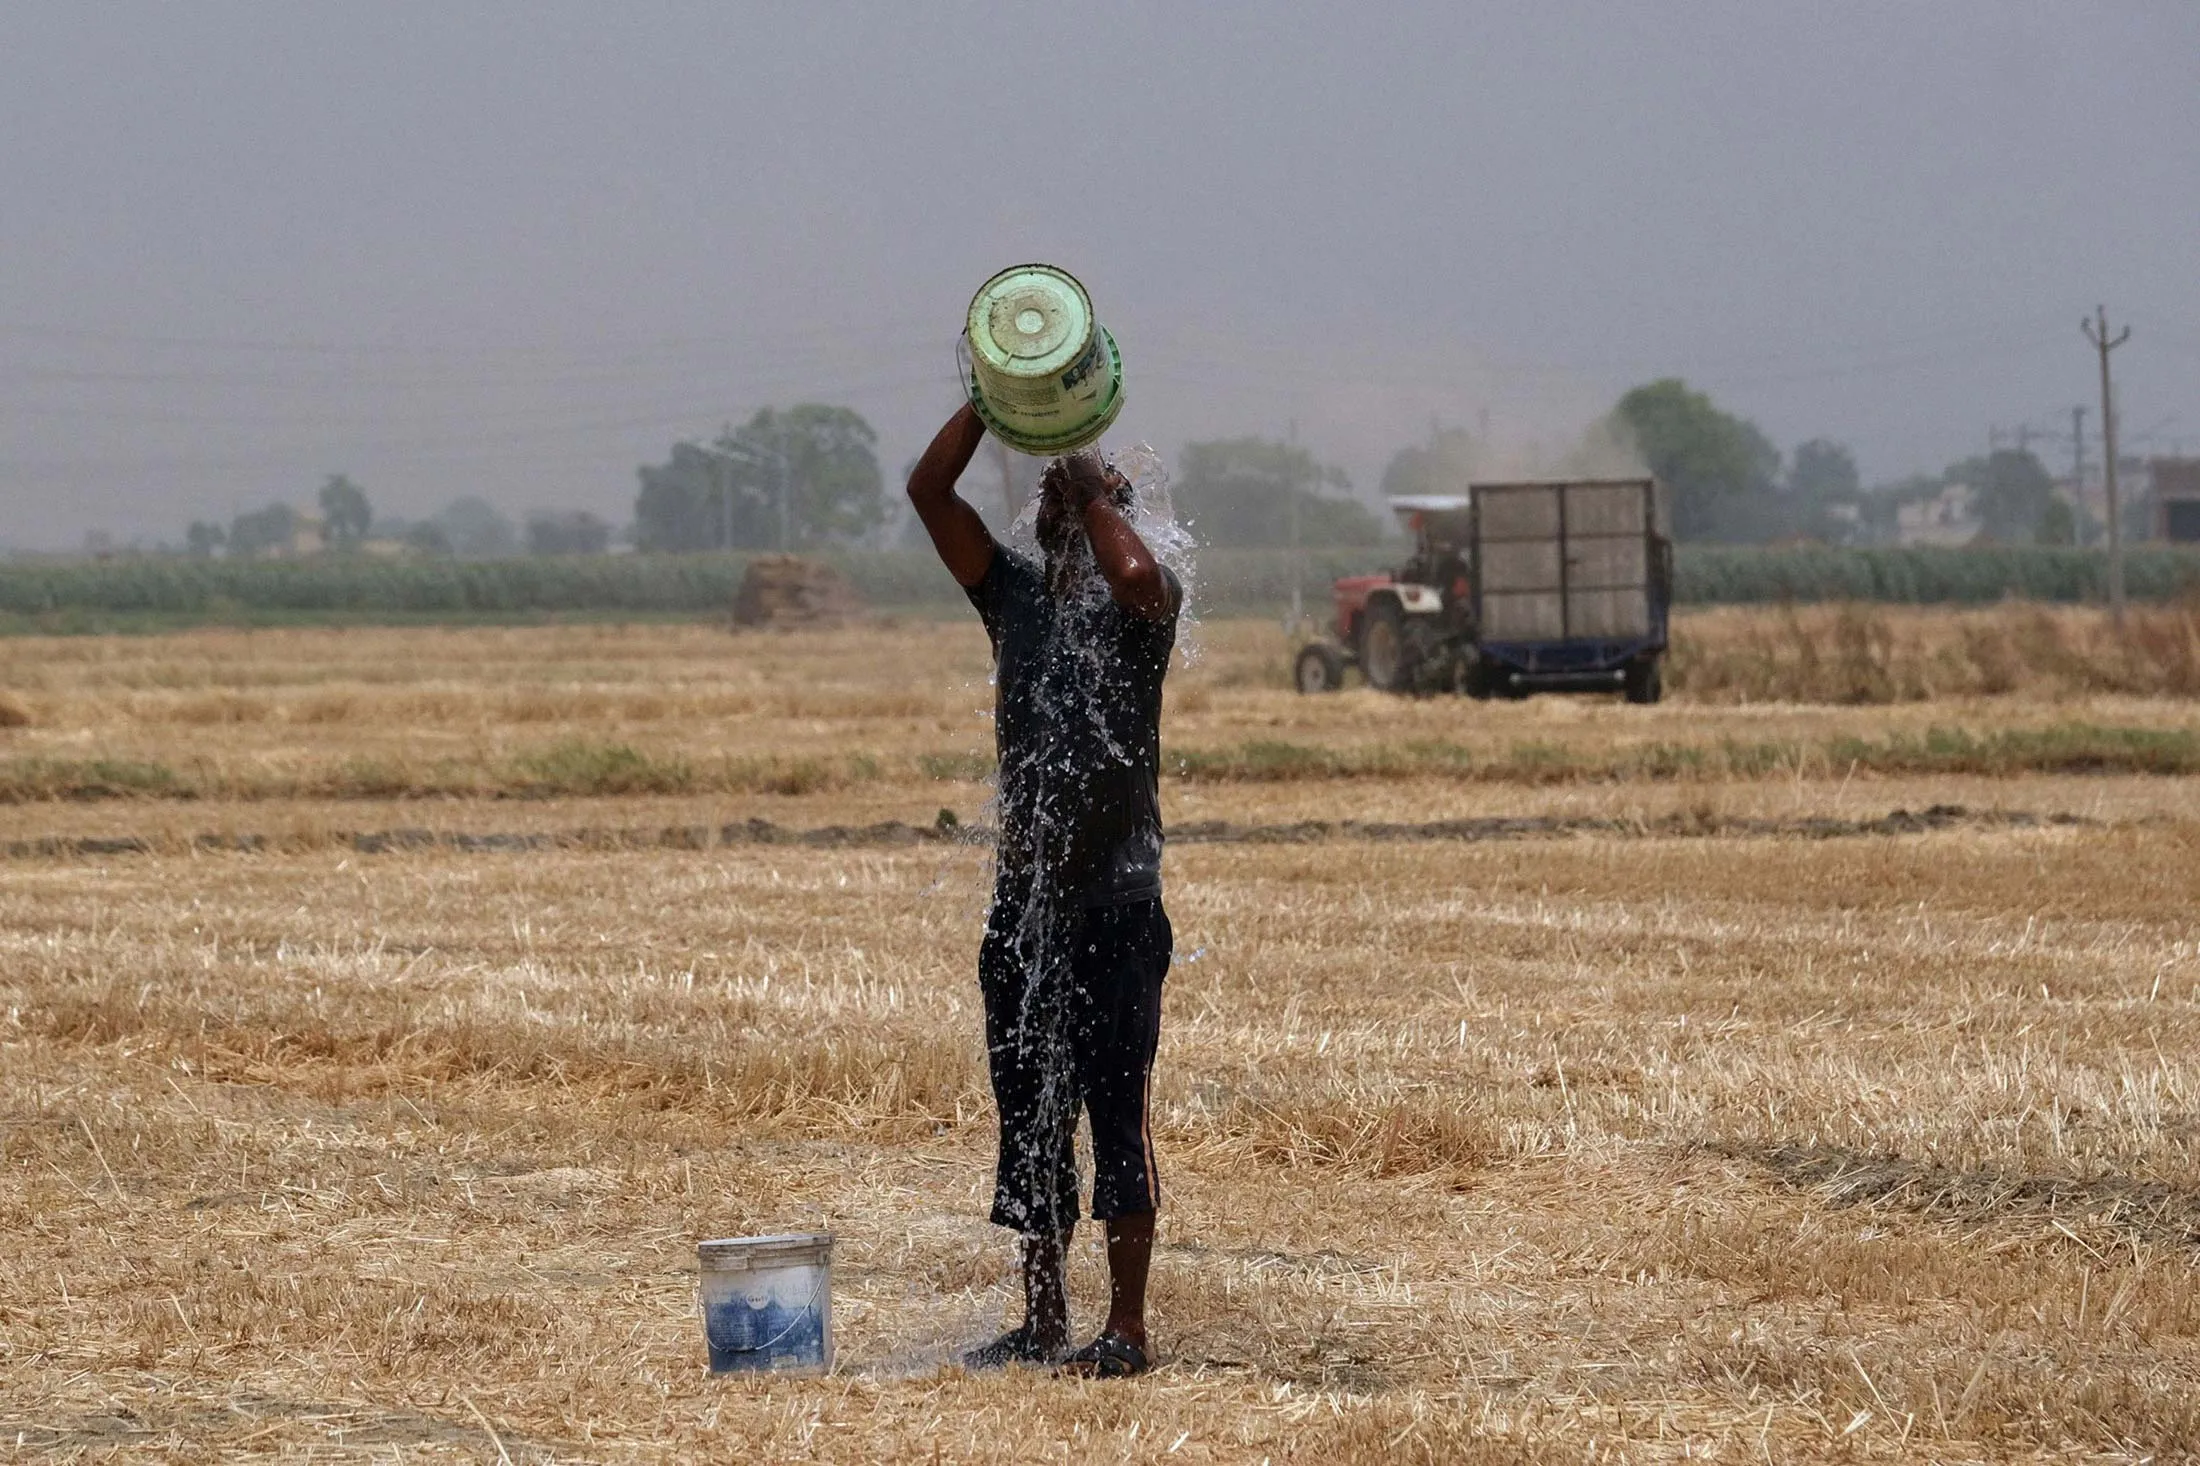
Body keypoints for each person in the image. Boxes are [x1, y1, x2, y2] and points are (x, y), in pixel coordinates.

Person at [906, 401, 1182, 1379]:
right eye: (1050, 500)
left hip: (1117, 906)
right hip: (1025, 910)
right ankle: (1041, 1317)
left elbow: (1138, 568)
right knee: (1029, 1114)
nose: (1053, 508)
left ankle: (1127, 1330)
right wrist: (994, 400)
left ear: (1114, 511)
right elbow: (927, 492)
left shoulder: (1145, 608)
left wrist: (1082, 462)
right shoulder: (1011, 597)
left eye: (1079, 502)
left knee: (1116, 1115)